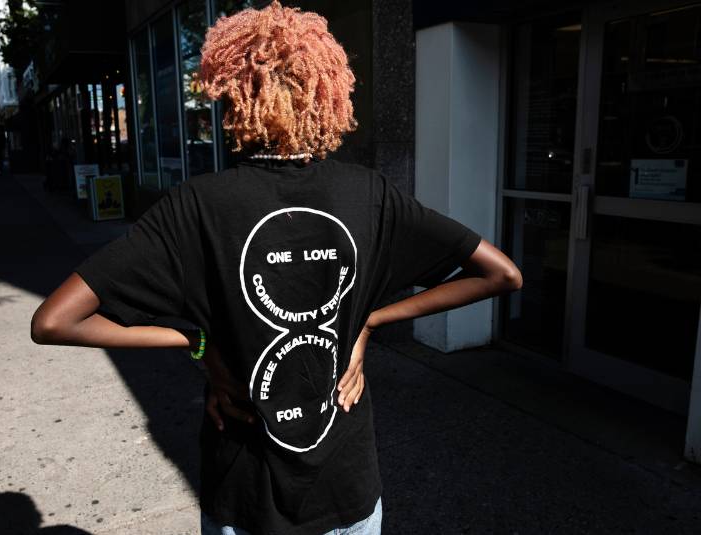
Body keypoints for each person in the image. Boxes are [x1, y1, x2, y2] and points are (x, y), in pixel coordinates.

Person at [30, 2, 523, 534]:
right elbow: (501, 274)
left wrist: (200, 343)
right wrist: (368, 322)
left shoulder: (196, 205)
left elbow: (55, 321)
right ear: (327, 92)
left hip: (244, 491)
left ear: (231, 92)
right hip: (346, 489)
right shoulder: (369, 194)